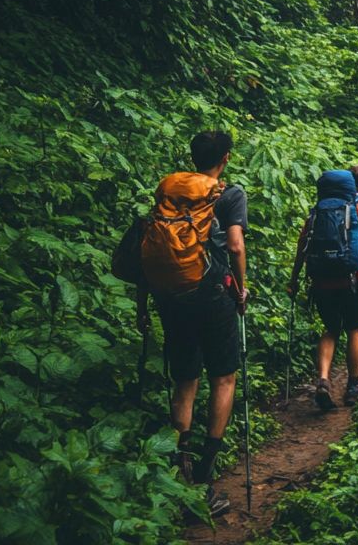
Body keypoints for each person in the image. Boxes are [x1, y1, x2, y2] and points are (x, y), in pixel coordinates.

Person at [136, 130, 248, 517]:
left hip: (171, 295)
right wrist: (242, 289)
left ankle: (179, 470)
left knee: (185, 379)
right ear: (226, 158)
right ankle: (204, 474)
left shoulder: (170, 192)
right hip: (212, 294)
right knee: (223, 377)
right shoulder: (227, 194)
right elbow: (234, 245)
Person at [288, 164, 358, 411]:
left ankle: (323, 380)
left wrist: (294, 279)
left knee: (330, 329)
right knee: (354, 328)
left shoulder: (316, 214)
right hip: (353, 279)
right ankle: (353, 387)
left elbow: (303, 247)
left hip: (321, 280)